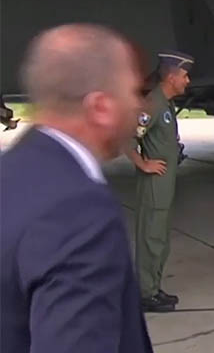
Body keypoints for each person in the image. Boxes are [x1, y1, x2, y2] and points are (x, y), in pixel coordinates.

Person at [0, 24, 153, 352]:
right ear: (101, 108)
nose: (140, 107)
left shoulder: (9, 174)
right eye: (134, 92)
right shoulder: (79, 211)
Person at [126, 50, 194, 312]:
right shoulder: (152, 104)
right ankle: (145, 293)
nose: (188, 81)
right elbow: (128, 136)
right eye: (185, 76)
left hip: (164, 186)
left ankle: (153, 287)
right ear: (171, 77)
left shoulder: (165, 104)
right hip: (153, 186)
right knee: (151, 239)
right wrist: (143, 163)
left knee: (160, 240)